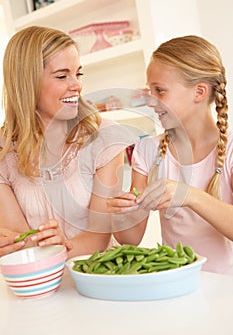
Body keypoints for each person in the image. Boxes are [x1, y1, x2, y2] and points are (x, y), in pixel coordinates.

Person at [0, 26, 136, 258]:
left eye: (78, 74)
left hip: (98, 275)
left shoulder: (104, 137)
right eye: (62, 76)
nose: (77, 85)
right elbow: (19, 241)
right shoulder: (3, 150)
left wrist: (62, 245)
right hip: (38, 282)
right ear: (27, 82)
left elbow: (98, 239)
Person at [107, 35, 233, 275]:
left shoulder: (230, 150)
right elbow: (129, 240)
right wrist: (123, 213)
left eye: (160, 91)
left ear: (199, 92)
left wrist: (190, 196)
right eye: (149, 90)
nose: (151, 101)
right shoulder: (147, 151)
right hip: (176, 282)